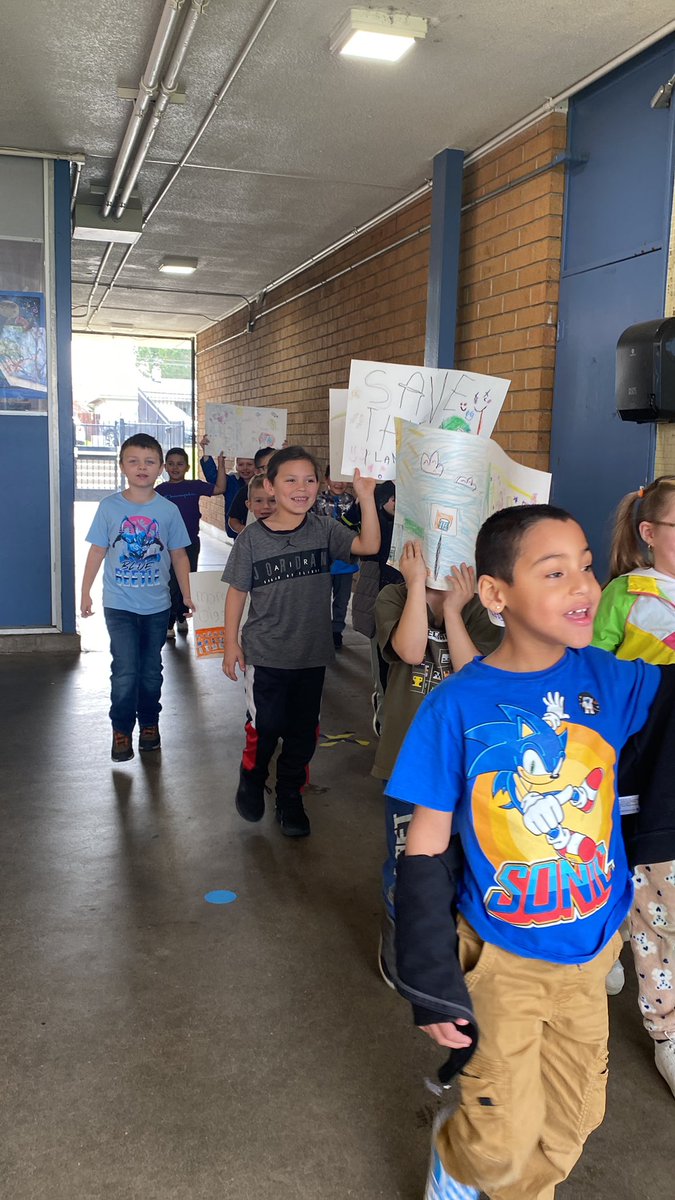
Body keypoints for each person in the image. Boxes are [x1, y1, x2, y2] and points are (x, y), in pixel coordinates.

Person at [387, 502, 674, 1200]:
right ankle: (464, 1166)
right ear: (494, 595)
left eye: (583, 566)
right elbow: (423, 843)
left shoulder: (609, 679)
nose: (581, 586)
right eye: (554, 572)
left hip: (590, 952)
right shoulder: (453, 706)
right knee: (504, 1140)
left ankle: (488, 1166)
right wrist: (427, 973)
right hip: (500, 960)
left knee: (575, 1119)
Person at [221, 445, 380, 838]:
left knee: (302, 732)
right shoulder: (252, 540)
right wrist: (230, 643)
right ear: (270, 486)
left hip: (311, 654)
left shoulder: (324, 529)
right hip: (266, 652)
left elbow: (370, 546)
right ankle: (253, 775)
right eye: (290, 479)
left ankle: (289, 794)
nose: (301, 487)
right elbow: (237, 592)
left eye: (309, 479)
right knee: (267, 724)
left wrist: (366, 497)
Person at [373, 540, 501, 985]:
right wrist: (414, 585)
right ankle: (400, 931)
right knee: (407, 861)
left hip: (470, 764)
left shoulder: (478, 608)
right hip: (408, 762)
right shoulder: (393, 596)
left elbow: (474, 676)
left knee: (464, 859)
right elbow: (410, 651)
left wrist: (453, 609)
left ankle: (453, 941)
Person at [592, 476, 675, 1096]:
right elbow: (597, 668)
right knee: (628, 854)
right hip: (637, 755)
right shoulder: (627, 592)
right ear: (649, 534)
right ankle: (622, 950)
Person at [80, 434, 193, 763]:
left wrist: (187, 593)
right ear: (122, 466)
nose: (141, 467)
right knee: (126, 670)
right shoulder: (109, 507)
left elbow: (179, 556)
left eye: (149, 461)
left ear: (160, 467)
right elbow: (97, 550)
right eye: (134, 461)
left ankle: (149, 724)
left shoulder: (168, 510)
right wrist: (85, 590)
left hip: (157, 607)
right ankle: (120, 728)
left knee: (151, 671)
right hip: (118, 605)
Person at [344, 480, 401, 728]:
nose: (398, 505)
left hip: (408, 597)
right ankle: (384, 707)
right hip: (379, 597)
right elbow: (347, 526)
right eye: (393, 500)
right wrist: (363, 501)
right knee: (382, 658)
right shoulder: (374, 514)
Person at [155, 445, 226, 638]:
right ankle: (169, 622)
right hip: (168, 546)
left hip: (191, 544)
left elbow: (220, 488)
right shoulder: (159, 491)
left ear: (187, 467)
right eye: (171, 464)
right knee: (170, 583)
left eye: (180, 464)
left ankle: (181, 616)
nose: (175, 468)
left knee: (187, 581)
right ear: (164, 467)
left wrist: (220, 464)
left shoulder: (194, 486)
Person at [313, 465, 359, 649]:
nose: (339, 482)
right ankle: (322, 631)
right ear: (326, 479)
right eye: (334, 477)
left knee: (342, 599)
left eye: (342, 478)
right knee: (321, 597)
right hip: (323, 561)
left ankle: (336, 631)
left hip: (345, 563)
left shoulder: (353, 502)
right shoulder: (317, 501)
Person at [200, 434, 256, 538]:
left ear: (256, 465)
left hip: (259, 532)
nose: (245, 468)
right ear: (236, 466)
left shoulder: (264, 483)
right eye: (241, 464)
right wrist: (206, 452)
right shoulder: (232, 482)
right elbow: (213, 477)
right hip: (237, 532)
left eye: (249, 464)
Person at [228, 446, 277, 531]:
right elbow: (233, 520)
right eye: (268, 466)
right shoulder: (247, 491)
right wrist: (247, 532)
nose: (274, 470)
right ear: (257, 471)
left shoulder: (286, 490)